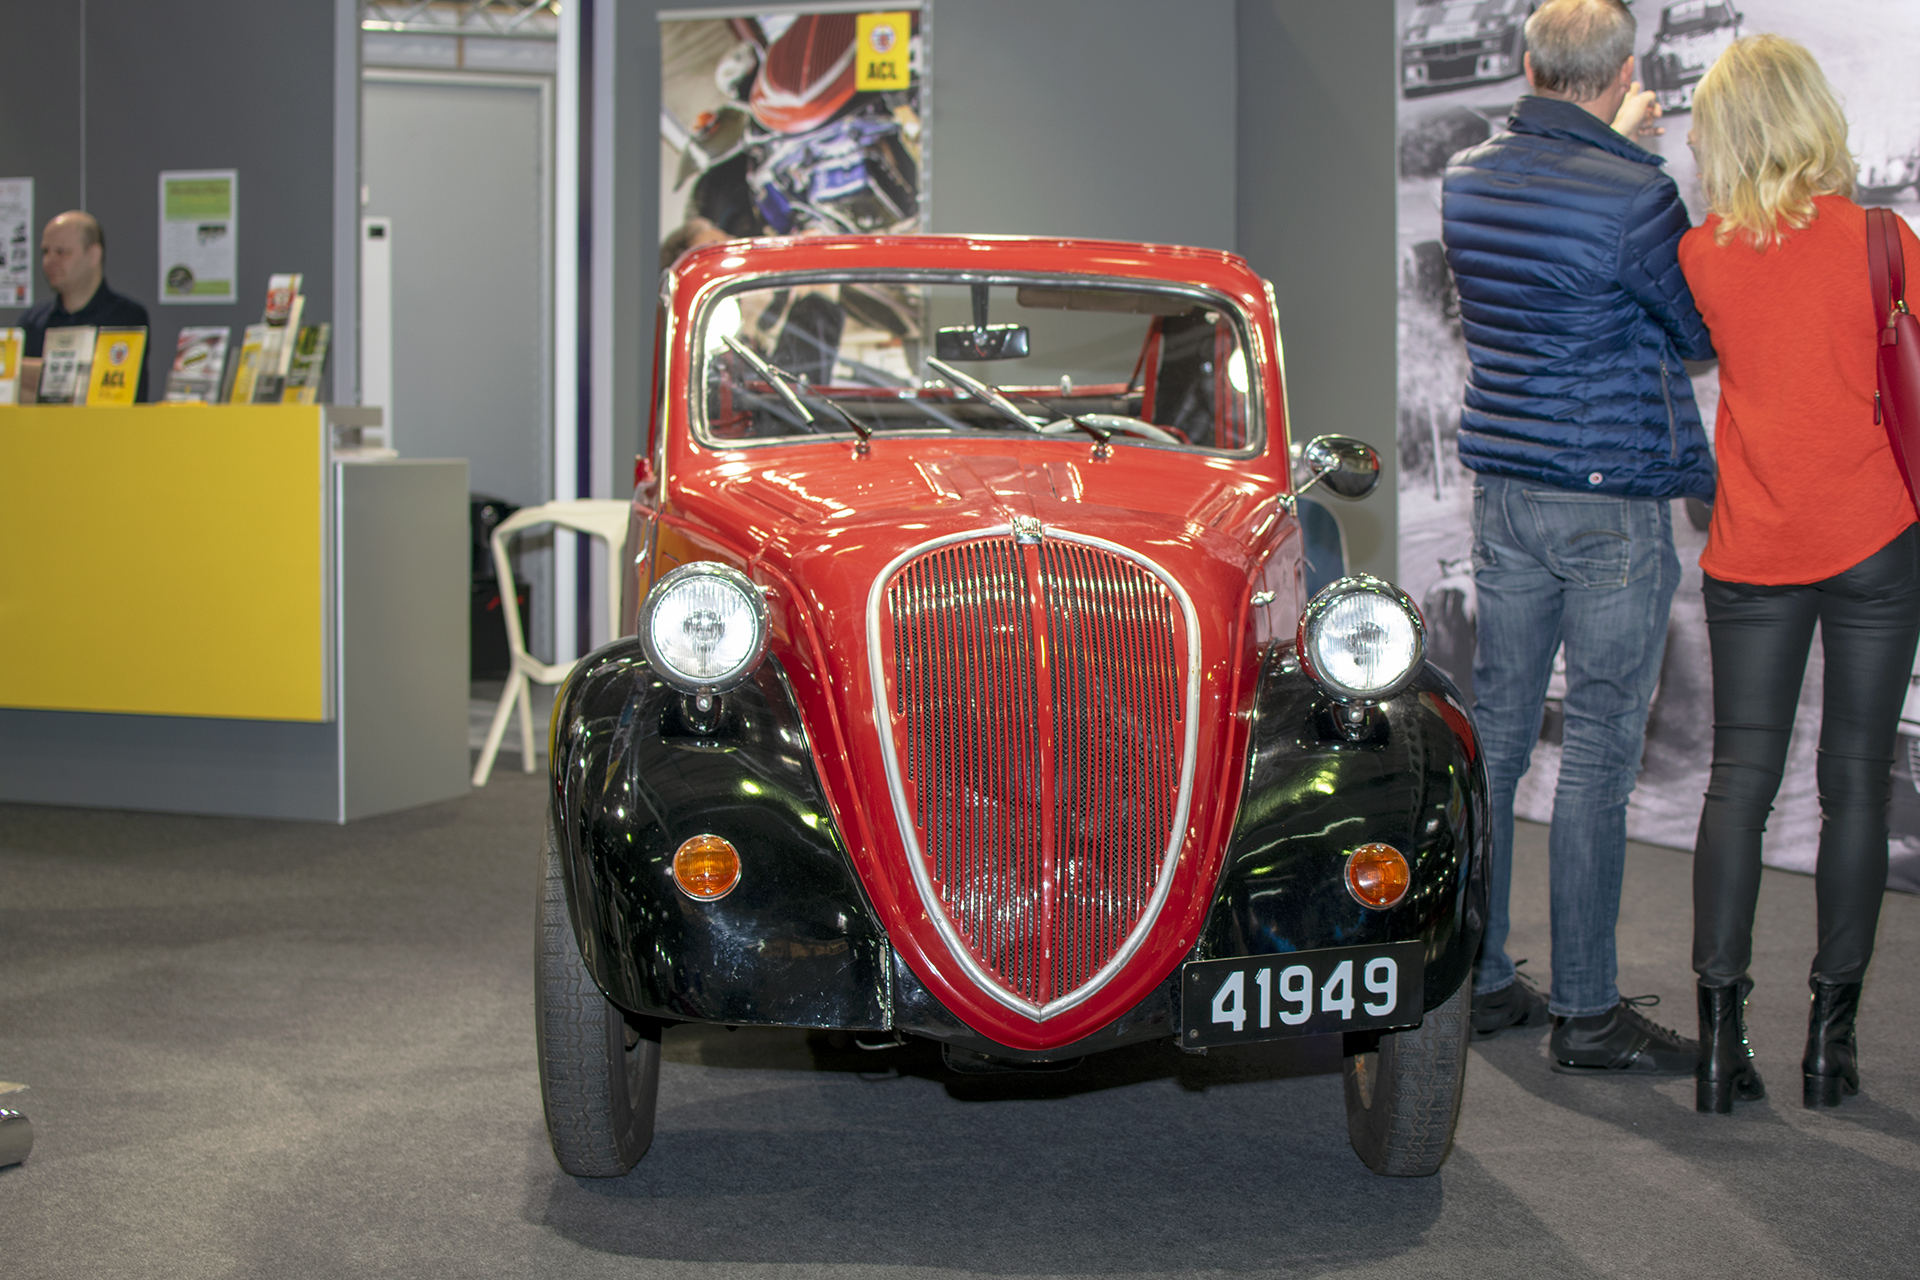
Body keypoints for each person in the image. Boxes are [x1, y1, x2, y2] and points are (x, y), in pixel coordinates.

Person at [1441, 0, 1714, 1073]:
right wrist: (1631, 149)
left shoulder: (1466, 177)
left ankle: (1490, 979)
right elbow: (1692, 331)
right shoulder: (1636, 190)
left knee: (1500, 741)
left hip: (1505, 487)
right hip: (1611, 502)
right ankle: (1590, 1010)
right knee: (1599, 751)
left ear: (1525, 64)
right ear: (1626, 72)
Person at [1678, 35, 1920, 1114]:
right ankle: (1833, 1041)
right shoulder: (1886, 240)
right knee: (1855, 785)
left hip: (1754, 546)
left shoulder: (1704, 256)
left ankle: (1718, 1042)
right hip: (1875, 535)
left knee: (1738, 784)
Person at [22, 211, 152, 402]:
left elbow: (118, 394)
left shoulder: (125, 317)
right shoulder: (33, 322)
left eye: (61, 252)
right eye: (45, 252)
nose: (49, 261)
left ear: (93, 255)